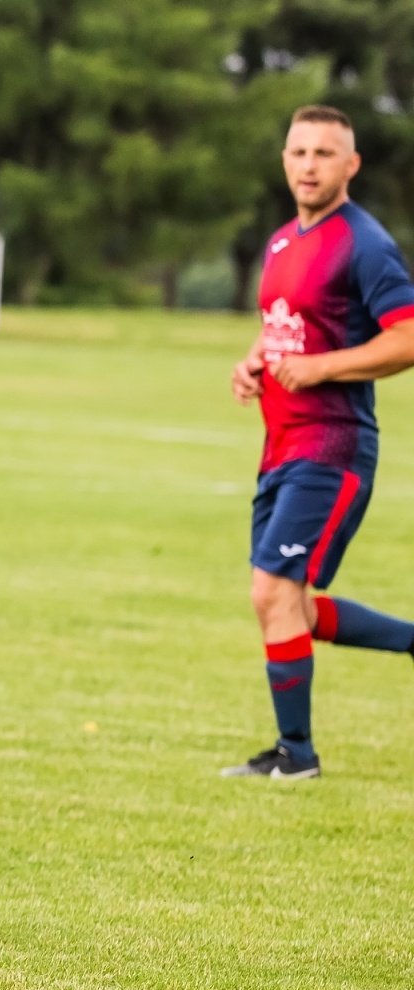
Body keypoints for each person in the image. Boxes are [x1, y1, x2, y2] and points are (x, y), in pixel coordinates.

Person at [225, 104, 414, 781]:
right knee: (286, 602)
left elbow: (407, 336)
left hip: (331, 448)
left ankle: (296, 757)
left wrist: (321, 369)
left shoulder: (363, 245)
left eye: (324, 154)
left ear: (351, 165)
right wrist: (254, 362)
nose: (309, 165)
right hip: (279, 446)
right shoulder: (282, 243)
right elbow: (283, 325)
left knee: (273, 593)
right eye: (299, 152)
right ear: (284, 160)